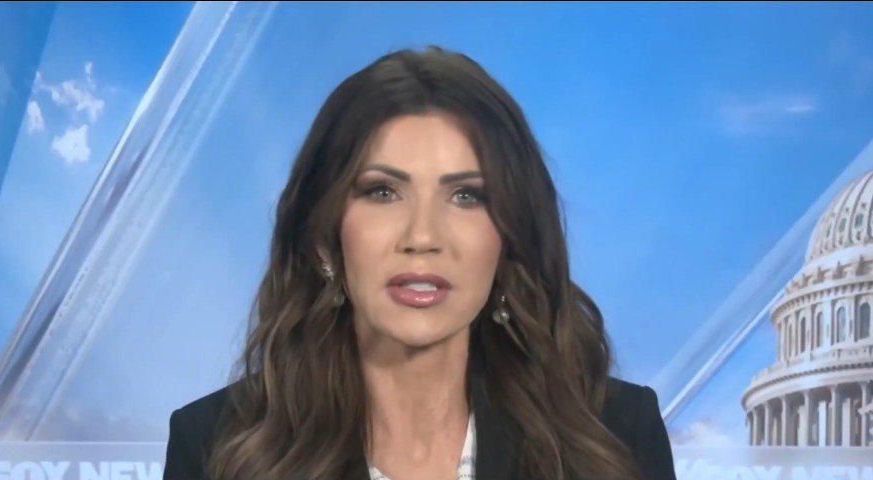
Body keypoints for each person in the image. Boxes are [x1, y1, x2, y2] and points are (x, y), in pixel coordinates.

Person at [163, 46, 676, 480]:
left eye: (467, 196)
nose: (423, 237)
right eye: (383, 191)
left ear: (510, 237)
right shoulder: (215, 447)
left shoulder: (615, 433)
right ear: (324, 235)